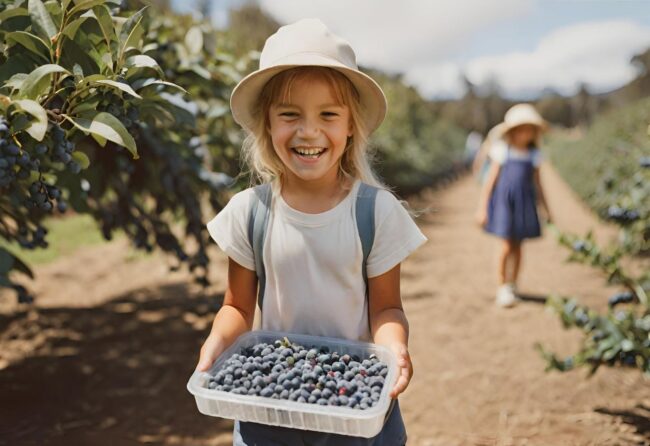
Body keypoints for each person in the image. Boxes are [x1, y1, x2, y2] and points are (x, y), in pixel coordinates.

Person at [195, 18, 427, 445]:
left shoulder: (375, 212)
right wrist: (216, 343)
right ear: (267, 123)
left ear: (350, 125)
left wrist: (394, 349)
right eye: (290, 114)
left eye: (328, 114)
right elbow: (238, 307)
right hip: (272, 407)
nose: (308, 130)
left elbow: (387, 309)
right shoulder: (250, 212)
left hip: (353, 403)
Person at [475, 104, 552, 308]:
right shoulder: (502, 151)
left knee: (518, 246)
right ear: (512, 131)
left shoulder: (534, 155)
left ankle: (513, 284)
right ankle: (502, 286)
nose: (524, 133)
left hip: (524, 204)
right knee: (507, 244)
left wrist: (546, 208)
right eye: (521, 128)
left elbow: (538, 184)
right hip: (505, 204)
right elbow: (489, 183)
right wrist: (482, 208)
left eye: (529, 129)